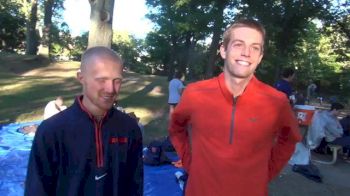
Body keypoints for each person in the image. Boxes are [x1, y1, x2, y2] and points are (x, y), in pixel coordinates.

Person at [169, 19, 301, 196]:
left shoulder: (276, 101)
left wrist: (267, 172)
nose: (246, 53)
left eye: (255, 47)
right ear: (223, 50)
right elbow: (176, 128)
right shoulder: (195, 93)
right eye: (239, 44)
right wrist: (189, 162)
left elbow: (290, 138)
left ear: (260, 56)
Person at [25, 47, 143, 196]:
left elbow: (135, 187)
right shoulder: (51, 131)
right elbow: (37, 190)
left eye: (117, 81)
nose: (111, 89)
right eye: (102, 79)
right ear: (81, 77)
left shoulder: (130, 129)